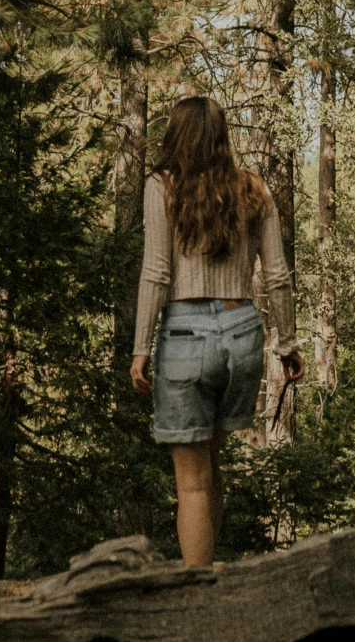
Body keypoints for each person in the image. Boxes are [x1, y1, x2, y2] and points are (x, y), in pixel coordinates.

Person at [130, 96, 303, 566]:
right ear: (222, 136)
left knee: (192, 483)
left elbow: (156, 271)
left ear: (176, 135)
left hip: (184, 337)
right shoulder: (252, 188)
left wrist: (140, 348)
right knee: (211, 465)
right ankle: (213, 579)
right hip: (242, 333)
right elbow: (278, 275)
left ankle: (197, 594)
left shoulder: (160, 186)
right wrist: (287, 343)